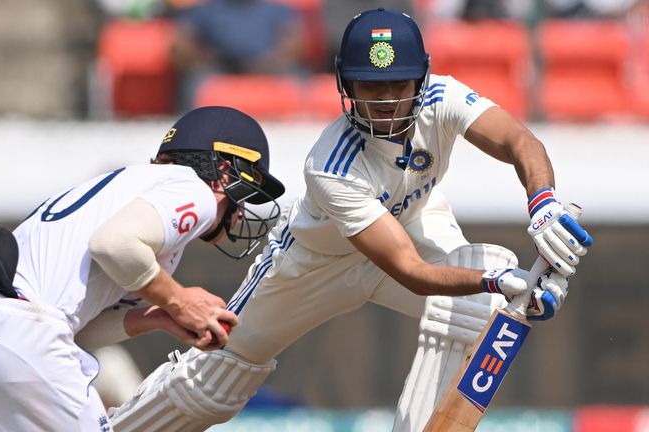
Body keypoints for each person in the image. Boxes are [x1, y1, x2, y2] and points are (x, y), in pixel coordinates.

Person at [108, 9, 593, 432]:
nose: (384, 101)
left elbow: (520, 142)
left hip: (412, 223)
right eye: (370, 85)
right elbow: (409, 271)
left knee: (484, 311)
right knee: (214, 373)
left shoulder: (445, 98)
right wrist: (495, 280)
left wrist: (544, 204)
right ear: (346, 84)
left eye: (396, 84)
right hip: (315, 262)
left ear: (421, 80)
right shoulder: (330, 166)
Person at [0, 105, 285, 431]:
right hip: (19, 329)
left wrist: (157, 316)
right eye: (248, 186)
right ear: (224, 169)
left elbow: (78, 329)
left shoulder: (131, 187)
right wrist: (180, 301)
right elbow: (113, 244)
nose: (242, 209)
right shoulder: (195, 191)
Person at [171, 0, 307, 111]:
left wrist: (269, 62)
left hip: (269, 66)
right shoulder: (205, 9)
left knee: (299, 80)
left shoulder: (277, 10)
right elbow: (183, 42)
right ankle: (189, 131)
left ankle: (303, 131)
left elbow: (294, 44)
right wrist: (203, 59)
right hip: (220, 67)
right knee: (194, 82)